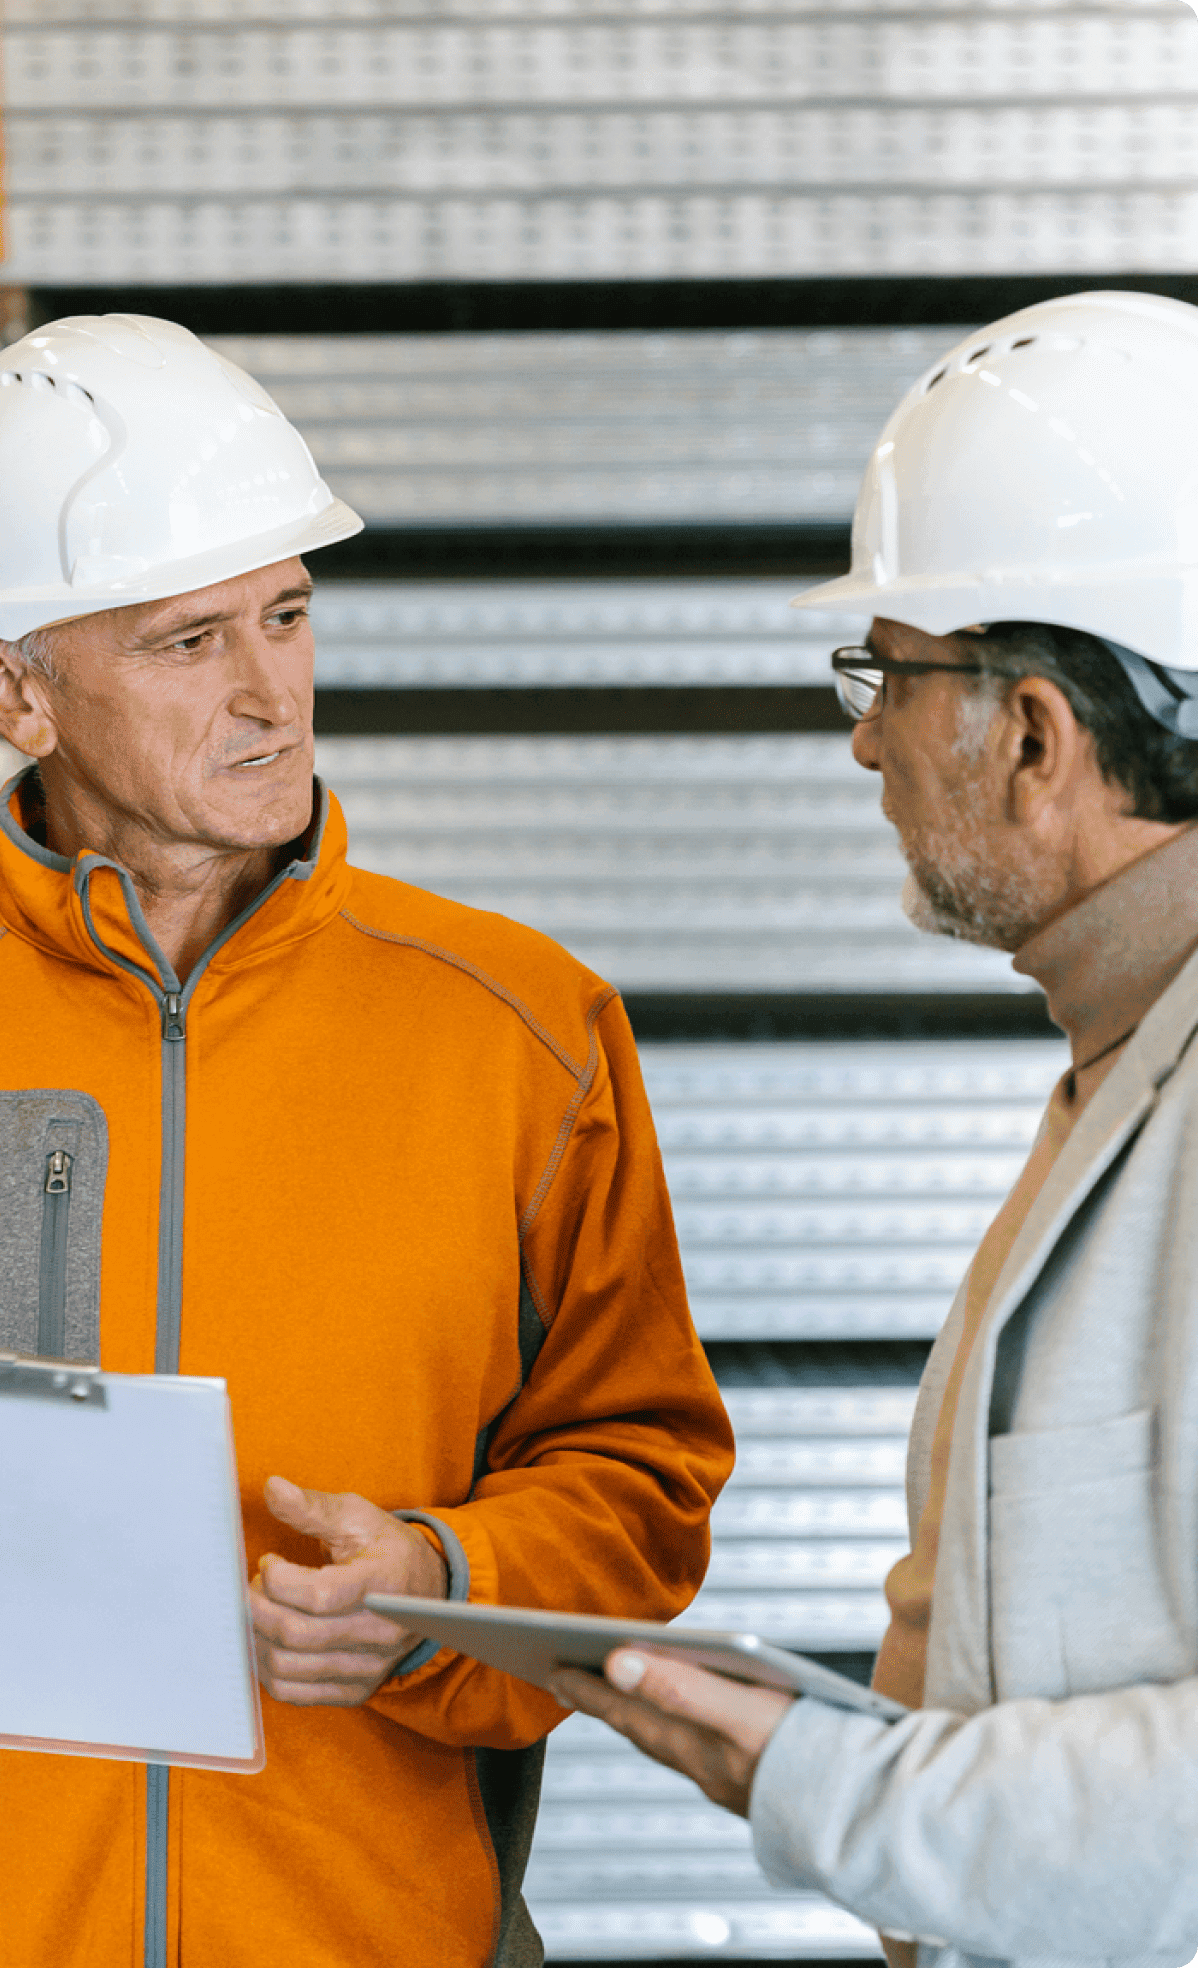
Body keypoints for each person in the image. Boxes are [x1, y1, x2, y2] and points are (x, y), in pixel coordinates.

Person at [0, 315, 733, 1968]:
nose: (269, 694)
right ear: (15, 688)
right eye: (185, 642)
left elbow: (643, 1478)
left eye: (286, 616)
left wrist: (444, 1578)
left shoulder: (520, 1032)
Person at [547, 290, 1198, 1968]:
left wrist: (818, 1783)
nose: (862, 735)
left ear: (1037, 736)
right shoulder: (1123, 1065)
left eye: (890, 675)